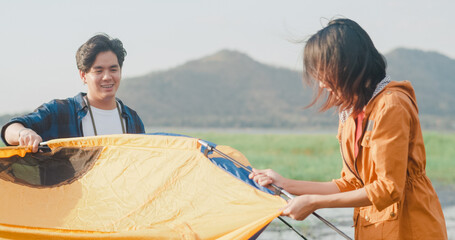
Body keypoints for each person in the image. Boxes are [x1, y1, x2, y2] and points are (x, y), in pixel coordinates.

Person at [249, 18, 447, 239]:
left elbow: (388, 188)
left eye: (324, 73)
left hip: (411, 228)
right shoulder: (350, 113)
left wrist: (315, 203)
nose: (322, 83)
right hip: (375, 229)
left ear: (347, 65)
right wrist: (285, 184)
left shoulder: (391, 105)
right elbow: (352, 184)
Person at [1, 33, 145, 152]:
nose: (107, 77)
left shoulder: (133, 119)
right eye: (98, 71)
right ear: (83, 75)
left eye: (113, 69)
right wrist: (24, 133)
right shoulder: (61, 111)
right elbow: (9, 129)